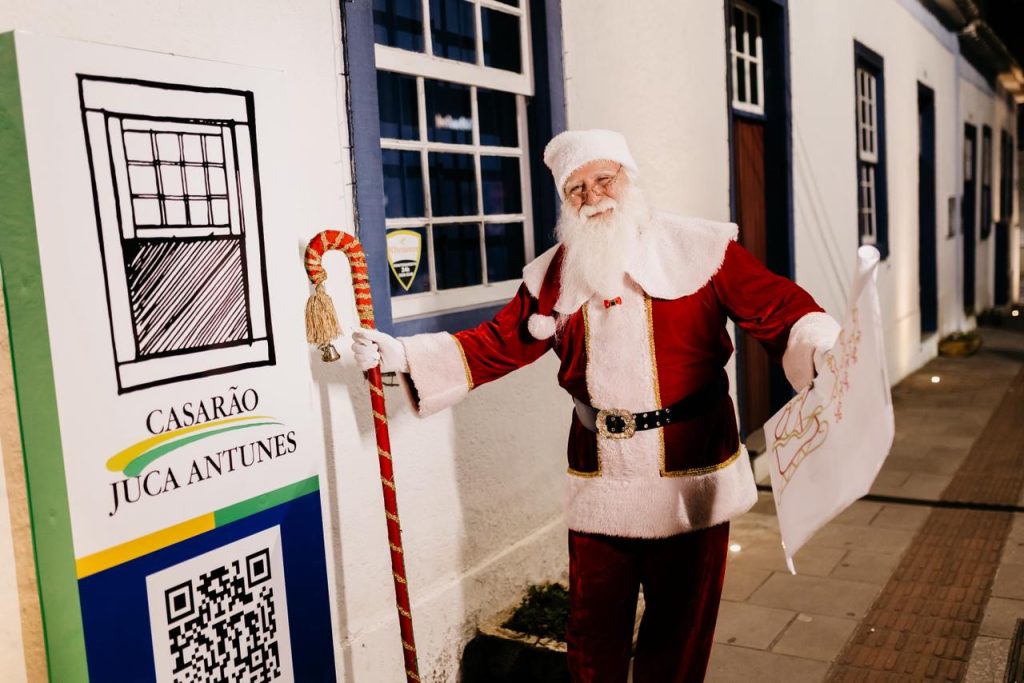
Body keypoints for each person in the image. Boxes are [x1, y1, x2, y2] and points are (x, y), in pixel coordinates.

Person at [352, 129, 839, 682]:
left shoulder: (701, 250)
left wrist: (822, 349)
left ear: (629, 179)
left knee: (678, 635)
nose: (593, 196)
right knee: (591, 631)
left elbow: (779, 308)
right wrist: (404, 355)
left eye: (604, 179)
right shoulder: (554, 274)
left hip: (692, 469)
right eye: (576, 189)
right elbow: (497, 342)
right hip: (600, 474)